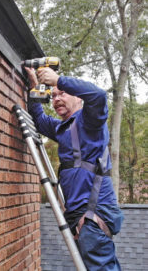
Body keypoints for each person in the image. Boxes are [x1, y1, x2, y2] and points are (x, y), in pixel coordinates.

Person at [25, 66, 124, 271]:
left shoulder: (90, 121)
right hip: (80, 216)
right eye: (53, 96)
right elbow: (40, 121)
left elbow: (97, 95)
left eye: (62, 93)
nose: (57, 98)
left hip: (93, 216)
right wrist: (34, 89)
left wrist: (58, 80)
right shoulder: (62, 128)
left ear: (78, 98)